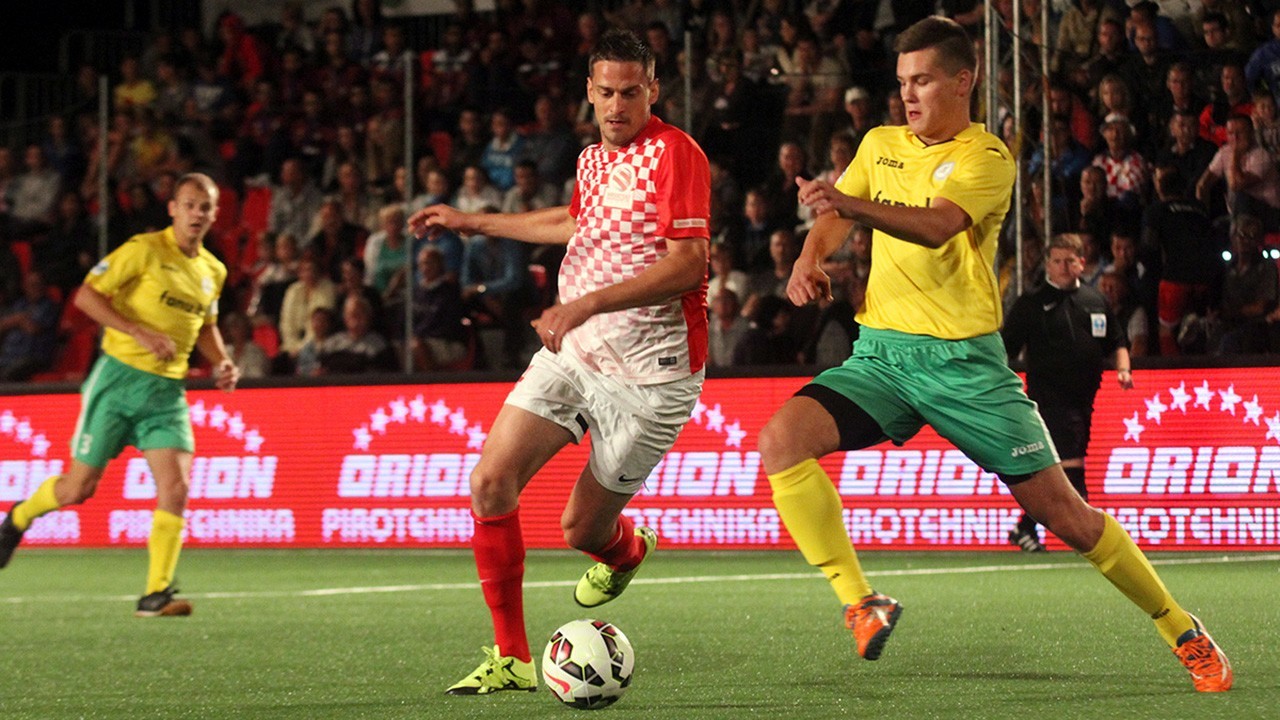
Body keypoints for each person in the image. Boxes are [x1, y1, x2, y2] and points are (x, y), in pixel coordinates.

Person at [754, 17, 1231, 692]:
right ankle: (862, 602)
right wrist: (809, 257)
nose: (908, 95)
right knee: (781, 440)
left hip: (965, 367)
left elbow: (936, 226)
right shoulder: (880, 144)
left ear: (963, 80)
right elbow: (832, 215)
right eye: (902, 82)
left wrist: (853, 206)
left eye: (922, 81)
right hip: (883, 356)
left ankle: (1180, 627)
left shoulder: (989, 157)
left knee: (1066, 516)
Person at [408, 28, 710, 696]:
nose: (617, 106)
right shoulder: (591, 159)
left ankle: (627, 550)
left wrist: (582, 304)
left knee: (581, 528)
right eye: (606, 92)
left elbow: (689, 264)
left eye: (630, 92)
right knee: (490, 482)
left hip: (652, 375)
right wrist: (473, 221)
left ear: (653, 91)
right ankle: (512, 658)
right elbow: (575, 223)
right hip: (575, 356)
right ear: (589, 93)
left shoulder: (676, 153)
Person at [0, 173, 241, 617]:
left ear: (214, 214)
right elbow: (86, 298)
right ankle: (18, 517)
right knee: (77, 490)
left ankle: (156, 593)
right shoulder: (144, 249)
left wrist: (223, 362)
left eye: (205, 207)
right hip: (118, 381)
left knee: (176, 487)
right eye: (189, 205)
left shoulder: (213, 270)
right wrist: (137, 331)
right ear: (172, 209)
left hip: (166, 391)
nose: (197, 213)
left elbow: (205, 325)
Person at [1002, 234, 1134, 552]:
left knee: (1058, 468)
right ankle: (1086, 535)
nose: (1063, 267)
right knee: (1071, 463)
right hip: (1048, 396)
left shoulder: (1094, 300)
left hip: (1085, 397)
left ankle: (1025, 527)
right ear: (1047, 265)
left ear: (1081, 264)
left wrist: (1124, 369)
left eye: (1069, 261)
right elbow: (1005, 348)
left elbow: (1117, 340)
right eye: (1057, 261)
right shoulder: (1031, 303)